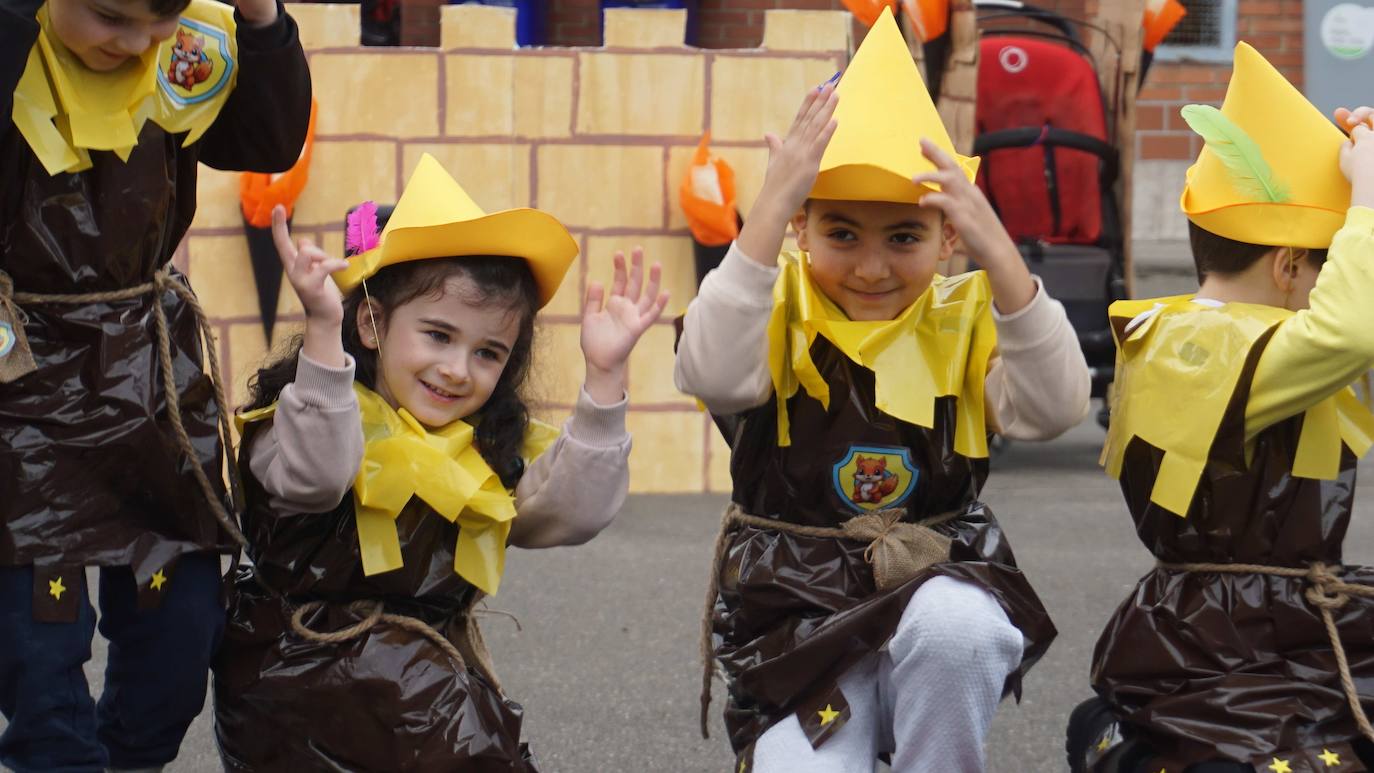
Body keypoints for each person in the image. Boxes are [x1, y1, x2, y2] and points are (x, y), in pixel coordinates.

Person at [675, 9, 1090, 771]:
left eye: (904, 236)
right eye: (841, 233)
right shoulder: (776, 308)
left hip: (929, 601)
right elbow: (709, 371)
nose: (871, 268)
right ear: (802, 228)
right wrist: (768, 207)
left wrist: (1002, 255)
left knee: (960, 625)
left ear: (949, 237)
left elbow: (1055, 406)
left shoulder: (962, 322)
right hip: (797, 627)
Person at [212, 154, 668, 770]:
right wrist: (323, 335)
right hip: (299, 678)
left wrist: (606, 379)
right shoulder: (307, 416)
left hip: (421, 692)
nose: (457, 369)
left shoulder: (480, 448)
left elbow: (570, 514)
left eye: (487, 352)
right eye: (437, 336)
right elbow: (317, 477)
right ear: (371, 324)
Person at [0, 0, 310, 766]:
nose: (137, 45)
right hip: (22, 376)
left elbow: (267, 137)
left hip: (145, 360)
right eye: (111, 18)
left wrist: (262, 19)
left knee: (179, 629)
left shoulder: (188, 46)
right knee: (41, 654)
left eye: (159, 18)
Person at [1072, 42, 1374, 773]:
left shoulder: (1195, 331)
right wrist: (1363, 198)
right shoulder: (1212, 346)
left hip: (1273, 615)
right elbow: (1354, 325)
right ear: (1290, 265)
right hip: (1228, 636)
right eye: (1331, 268)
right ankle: (1116, 744)